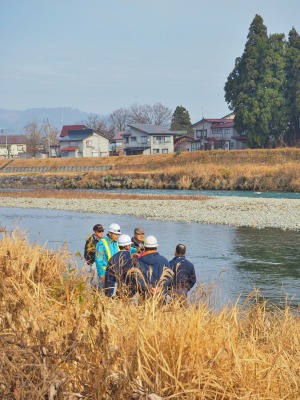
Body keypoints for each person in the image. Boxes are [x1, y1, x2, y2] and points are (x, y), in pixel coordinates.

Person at [95, 223, 122, 288]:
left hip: (115, 273)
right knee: (104, 293)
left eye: (118, 234)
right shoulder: (102, 243)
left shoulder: (116, 243)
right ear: (110, 233)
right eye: (115, 234)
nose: (117, 236)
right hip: (105, 273)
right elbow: (98, 260)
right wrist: (101, 274)